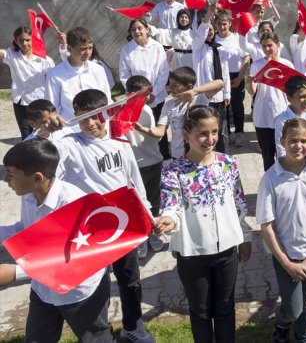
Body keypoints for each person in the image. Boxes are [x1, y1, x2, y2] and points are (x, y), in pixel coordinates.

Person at [47, 89, 154, 343]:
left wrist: (148, 214)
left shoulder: (121, 143)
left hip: (123, 225)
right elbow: (40, 155)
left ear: (107, 112)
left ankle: (133, 327)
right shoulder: (69, 144)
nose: (91, 123)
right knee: (96, 286)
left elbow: (134, 183)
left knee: (130, 280)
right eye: (83, 118)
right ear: (74, 117)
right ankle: (102, 334)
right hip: (90, 230)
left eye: (96, 116)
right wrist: (45, 132)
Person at [0, 139, 116, 343]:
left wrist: (13, 274)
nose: (5, 180)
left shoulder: (72, 204)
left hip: (79, 293)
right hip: (43, 288)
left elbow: (68, 259)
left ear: (37, 177)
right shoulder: (29, 194)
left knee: (96, 338)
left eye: (10, 174)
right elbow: (27, 230)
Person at [157, 105, 252, 343]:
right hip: (192, 254)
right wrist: (168, 219)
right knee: (200, 312)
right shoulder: (173, 170)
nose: (209, 139)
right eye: (202, 133)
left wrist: (246, 237)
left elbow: (239, 203)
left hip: (227, 250)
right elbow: (172, 205)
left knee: (225, 308)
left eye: (214, 132)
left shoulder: (227, 163)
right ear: (186, 134)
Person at [257, 118, 306, 343]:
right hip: (286, 255)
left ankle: (303, 337)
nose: (298, 146)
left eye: (304, 141)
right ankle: (283, 322)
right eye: (292, 140)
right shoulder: (271, 178)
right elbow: (266, 226)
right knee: (293, 308)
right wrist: (286, 262)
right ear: (282, 141)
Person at [138, 67, 224, 166]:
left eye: (175, 85)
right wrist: (141, 128)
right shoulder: (168, 104)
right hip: (178, 155)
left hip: (200, 153)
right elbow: (160, 132)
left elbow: (220, 83)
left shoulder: (199, 99)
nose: (171, 88)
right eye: (170, 84)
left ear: (188, 87)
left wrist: (194, 92)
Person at [124, 76, 166, 258]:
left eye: (146, 95)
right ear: (127, 94)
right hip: (133, 167)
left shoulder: (148, 110)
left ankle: (155, 234)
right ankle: (141, 237)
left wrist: (141, 129)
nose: (144, 100)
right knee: (137, 204)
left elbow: (158, 135)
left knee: (154, 201)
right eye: (139, 96)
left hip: (153, 161)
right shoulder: (118, 113)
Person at [119, 18, 171, 158]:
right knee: (140, 128)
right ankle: (145, 158)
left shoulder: (157, 47)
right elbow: (124, 75)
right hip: (137, 98)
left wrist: (153, 93)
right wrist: (137, 95)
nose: (137, 31)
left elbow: (163, 71)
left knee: (159, 127)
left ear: (147, 29)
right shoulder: (127, 50)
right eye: (133, 29)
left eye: (140, 28)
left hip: (157, 96)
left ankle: (164, 158)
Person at [45, 27, 111, 119]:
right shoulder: (55, 74)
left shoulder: (98, 69)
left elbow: (107, 99)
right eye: (83, 49)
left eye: (90, 48)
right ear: (69, 48)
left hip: (97, 126)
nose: (87, 53)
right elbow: (53, 108)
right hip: (70, 128)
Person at [1, 26, 56, 138]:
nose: (25, 43)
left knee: (44, 133)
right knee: (26, 135)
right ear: (16, 41)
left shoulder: (45, 60)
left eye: (28, 40)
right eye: (21, 40)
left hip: (40, 103)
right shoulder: (12, 55)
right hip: (20, 102)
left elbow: (53, 80)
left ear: (33, 39)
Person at [247, 32, 290, 171]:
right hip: (262, 116)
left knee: (283, 155)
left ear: (278, 45)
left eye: (270, 45)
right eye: (264, 46)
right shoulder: (257, 65)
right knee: (267, 156)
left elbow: (292, 91)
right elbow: (252, 91)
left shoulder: (286, 64)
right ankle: (269, 187)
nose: (267, 49)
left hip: (282, 115)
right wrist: (250, 83)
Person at [193, 4, 232, 153]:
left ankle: (223, 155)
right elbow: (201, 31)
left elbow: (225, 73)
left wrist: (227, 93)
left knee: (221, 129)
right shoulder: (198, 48)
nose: (209, 32)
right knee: (204, 126)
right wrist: (208, 15)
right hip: (204, 96)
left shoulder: (220, 48)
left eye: (211, 30)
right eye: (207, 30)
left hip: (219, 96)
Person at [214, 10, 250, 147]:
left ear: (230, 23)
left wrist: (240, 77)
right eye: (219, 24)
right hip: (219, 77)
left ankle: (239, 132)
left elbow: (246, 58)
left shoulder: (238, 38)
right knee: (222, 106)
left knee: (237, 106)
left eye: (224, 24)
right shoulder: (213, 39)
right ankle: (226, 132)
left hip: (235, 76)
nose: (222, 27)